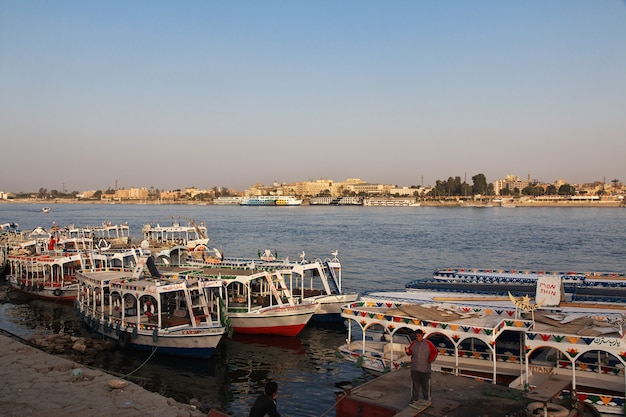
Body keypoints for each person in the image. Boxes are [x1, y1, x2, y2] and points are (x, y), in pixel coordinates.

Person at [405, 329, 437, 402]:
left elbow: (434, 352)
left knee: (425, 386)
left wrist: (430, 359)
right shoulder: (413, 343)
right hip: (415, 368)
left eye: (419, 336)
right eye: (416, 336)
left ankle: (426, 399)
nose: (418, 338)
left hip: (425, 369)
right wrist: (407, 351)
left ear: (422, 335)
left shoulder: (428, 343)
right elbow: (410, 353)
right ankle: (414, 399)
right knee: (415, 385)